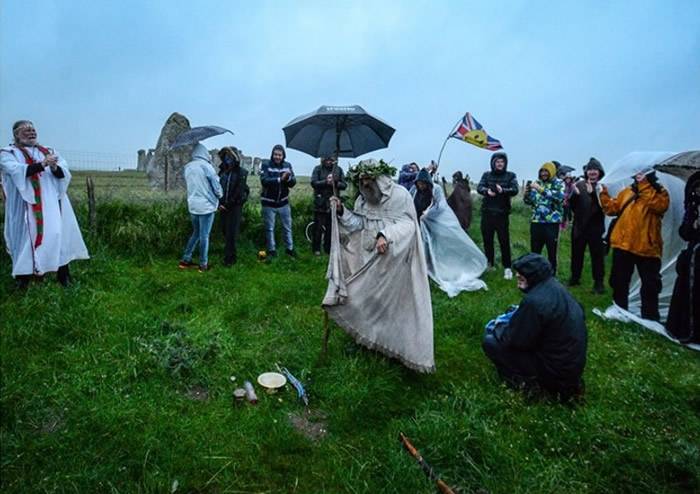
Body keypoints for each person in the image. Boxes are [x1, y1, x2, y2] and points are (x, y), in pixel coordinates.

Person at [323, 159, 434, 372]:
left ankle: (393, 345)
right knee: (368, 300)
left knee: (391, 306)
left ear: (380, 179)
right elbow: (358, 224)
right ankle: (370, 340)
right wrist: (341, 211)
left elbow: (409, 224)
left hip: (395, 261)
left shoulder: (401, 196)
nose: (364, 184)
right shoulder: (362, 201)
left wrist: (386, 235)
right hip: (369, 259)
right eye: (361, 180)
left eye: (368, 179)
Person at [482, 253, 587, 401]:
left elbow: (515, 340)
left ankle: (530, 386)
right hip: (570, 367)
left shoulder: (534, 302)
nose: (518, 278)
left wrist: (496, 328)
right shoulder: (556, 288)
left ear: (533, 276)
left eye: (521, 276)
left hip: (555, 373)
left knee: (490, 342)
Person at [0, 120, 89, 287]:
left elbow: (63, 174)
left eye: (33, 130)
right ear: (16, 135)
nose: (31, 132)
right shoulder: (7, 153)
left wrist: (54, 166)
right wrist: (43, 164)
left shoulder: (49, 152)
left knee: (57, 235)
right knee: (27, 239)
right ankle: (23, 280)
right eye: (25, 130)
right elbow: (16, 171)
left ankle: (63, 277)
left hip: (52, 203)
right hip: (25, 205)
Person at [600, 170, 670, 321]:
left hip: (648, 247)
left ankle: (650, 317)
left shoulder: (659, 192)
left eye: (643, 173)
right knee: (619, 281)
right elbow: (612, 209)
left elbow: (659, 207)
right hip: (623, 244)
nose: (639, 175)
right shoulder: (627, 191)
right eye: (638, 172)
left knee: (650, 285)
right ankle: (619, 309)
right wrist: (603, 194)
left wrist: (644, 185)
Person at [410, 169, 487, 296]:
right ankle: (421, 269)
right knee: (419, 246)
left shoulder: (436, 189)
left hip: (432, 223)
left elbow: (440, 206)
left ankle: (433, 267)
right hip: (418, 222)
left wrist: (428, 214)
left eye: (423, 183)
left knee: (431, 246)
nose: (421, 186)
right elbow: (410, 202)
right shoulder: (414, 191)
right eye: (419, 184)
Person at [667, 171, 700, 343]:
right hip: (694, 257)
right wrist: (693, 224)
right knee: (689, 292)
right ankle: (685, 329)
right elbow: (684, 233)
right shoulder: (694, 205)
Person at [178, 143, 222, 272]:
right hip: (206, 206)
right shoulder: (207, 167)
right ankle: (203, 264)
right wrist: (220, 195)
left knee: (196, 233)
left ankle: (185, 259)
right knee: (204, 235)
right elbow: (216, 187)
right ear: (204, 153)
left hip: (192, 204)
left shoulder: (187, 167)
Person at [477, 152, 519, 279]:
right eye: (497, 162)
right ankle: (490, 263)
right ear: (493, 163)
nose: (499, 164)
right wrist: (487, 191)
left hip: (502, 214)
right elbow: (479, 187)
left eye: (502, 162)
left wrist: (503, 190)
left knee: (504, 241)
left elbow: (515, 190)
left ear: (505, 163)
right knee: (487, 240)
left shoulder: (511, 175)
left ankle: (507, 267)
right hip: (487, 212)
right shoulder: (486, 175)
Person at [568, 158, 606, 293]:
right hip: (579, 225)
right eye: (590, 170)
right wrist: (574, 196)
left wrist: (593, 194)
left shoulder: (603, 186)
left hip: (596, 227)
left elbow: (605, 207)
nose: (592, 172)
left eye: (595, 170)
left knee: (597, 256)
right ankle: (575, 277)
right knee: (576, 254)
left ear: (599, 171)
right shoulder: (579, 184)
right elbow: (572, 206)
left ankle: (599, 283)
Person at [524, 162, 565, 275]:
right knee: (535, 251)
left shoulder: (559, 183)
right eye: (542, 171)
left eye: (546, 171)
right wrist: (527, 195)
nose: (543, 174)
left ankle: (552, 276)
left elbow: (559, 198)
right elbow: (530, 202)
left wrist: (540, 189)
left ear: (551, 171)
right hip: (536, 222)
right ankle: (535, 274)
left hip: (551, 223)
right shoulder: (537, 183)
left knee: (552, 251)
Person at [260, 144, 296, 257]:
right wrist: (280, 179)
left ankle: (289, 249)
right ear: (272, 155)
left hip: (283, 202)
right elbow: (264, 181)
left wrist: (289, 178)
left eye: (280, 155)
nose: (277, 157)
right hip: (268, 202)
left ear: (283, 156)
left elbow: (293, 182)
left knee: (287, 227)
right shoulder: (266, 165)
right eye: (275, 154)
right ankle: (271, 251)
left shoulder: (288, 165)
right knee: (269, 228)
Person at [218, 146, 249, 266]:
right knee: (225, 231)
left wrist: (228, 204)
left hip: (234, 207)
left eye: (230, 157)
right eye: (226, 157)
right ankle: (229, 254)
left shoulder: (241, 173)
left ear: (235, 158)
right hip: (222, 206)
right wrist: (219, 203)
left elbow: (239, 191)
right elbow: (217, 188)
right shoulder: (222, 172)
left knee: (231, 233)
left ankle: (230, 259)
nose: (228, 160)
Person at [310, 155, 347, 255]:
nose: (328, 161)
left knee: (331, 227)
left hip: (333, 202)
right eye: (326, 159)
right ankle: (316, 249)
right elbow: (313, 183)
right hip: (320, 202)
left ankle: (328, 249)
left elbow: (344, 185)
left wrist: (335, 182)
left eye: (331, 159)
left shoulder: (338, 170)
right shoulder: (317, 169)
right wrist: (326, 182)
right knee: (318, 227)